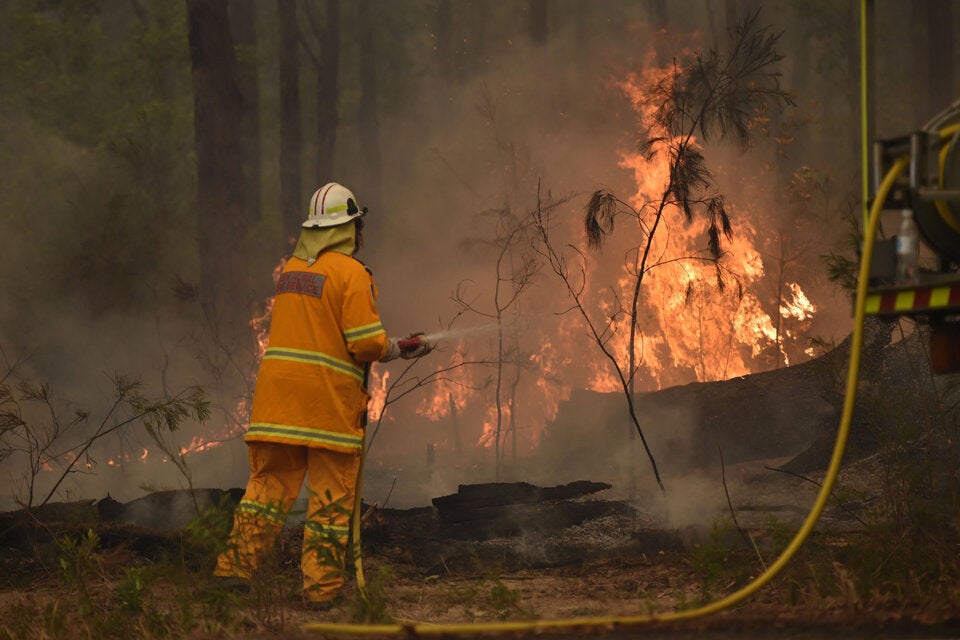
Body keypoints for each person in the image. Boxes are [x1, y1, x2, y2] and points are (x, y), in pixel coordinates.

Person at [213, 182, 433, 608]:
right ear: (348, 228)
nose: (360, 233)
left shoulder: (290, 273)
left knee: (266, 490)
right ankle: (320, 591)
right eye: (357, 224)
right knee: (330, 500)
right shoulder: (352, 273)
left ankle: (233, 571)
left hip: (276, 406)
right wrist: (399, 348)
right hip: (326, 408)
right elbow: (365, 344)